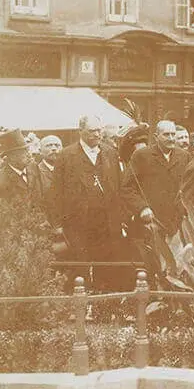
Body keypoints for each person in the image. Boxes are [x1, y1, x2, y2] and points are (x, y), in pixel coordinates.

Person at [50, 115, 126, 291]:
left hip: (107, 224)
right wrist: (58, 224)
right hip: (78, 224)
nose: (97, 134)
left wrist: (120, 218)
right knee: (80, 268)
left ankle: (103, 307)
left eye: (99, 130)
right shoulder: (66, 156)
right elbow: (55, 193)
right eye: (92, 131)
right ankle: (80, 308)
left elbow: (119, 188)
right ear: (80, 131)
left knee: (106, 268)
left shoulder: (110, 153)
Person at [124, 120, 190, 235]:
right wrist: (142, 208)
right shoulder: (142, 156)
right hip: (152, 223)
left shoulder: (184, 156)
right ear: (156, 137)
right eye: (166, 135)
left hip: (178, 224)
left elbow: (189, 186)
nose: (171, 138)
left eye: (173, 134)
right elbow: (127, 188)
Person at [0, 129, 47, 210]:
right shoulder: (0, 183)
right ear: (12, 156)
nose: (29, 154)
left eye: (27, 150)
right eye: (24, 151)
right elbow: (4, 215)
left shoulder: (33, 167)